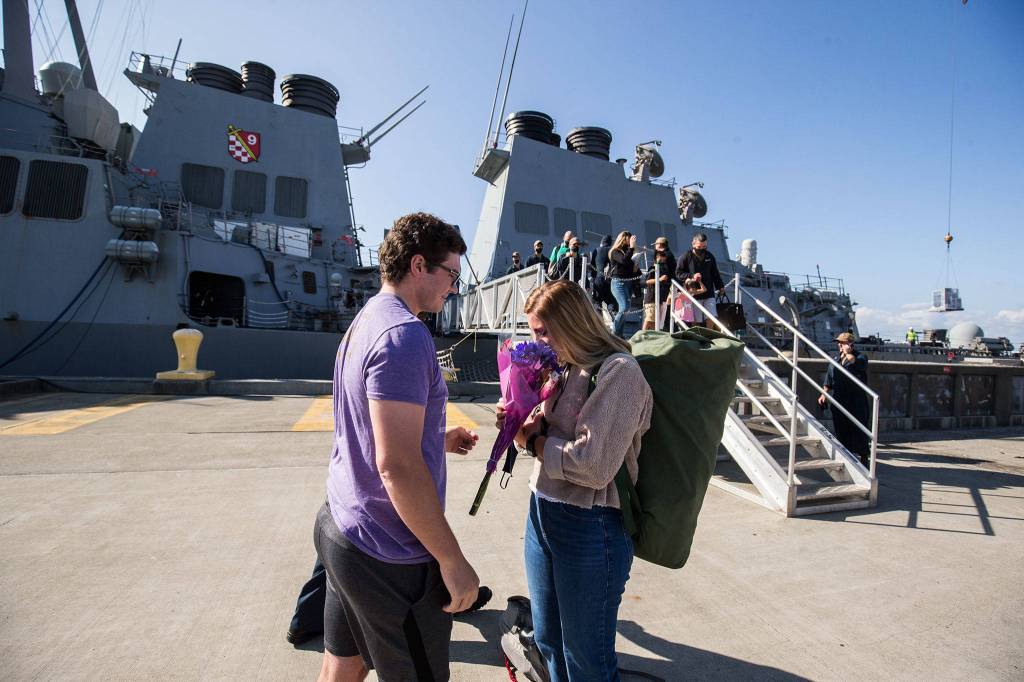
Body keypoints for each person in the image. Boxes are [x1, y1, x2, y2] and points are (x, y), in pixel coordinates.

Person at [314, 212, 481, 682]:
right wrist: (452, 560)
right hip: (388, 553)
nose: (453, 286)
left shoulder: (368, 319)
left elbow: (367, 431)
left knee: (341, 666)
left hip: (343, 526)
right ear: (418, 265)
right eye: (451, 273)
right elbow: (398, 467)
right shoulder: (405, 337)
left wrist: (436, 440)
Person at [495, 279, 653, 682]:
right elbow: (549, 432)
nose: (537, 342)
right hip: (542, 511)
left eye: (542, 332)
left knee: (586, 660)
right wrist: (519, 416)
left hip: (591, 524)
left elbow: (594, 466)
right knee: (548, 642)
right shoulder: (563, 367)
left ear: (572, 323)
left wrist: (531, 440)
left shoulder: (620, 372)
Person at [817, 332, 871, 467]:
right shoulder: (835, 360)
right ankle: (846, 455)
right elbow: (828, 381)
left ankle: (864, 457)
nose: (840, 346)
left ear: (851, 344)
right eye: (839, 343)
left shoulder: (860, 357)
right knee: (841, 429)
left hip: (856, 400)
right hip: (840, 399)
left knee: (859, 429)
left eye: (843, 343)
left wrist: (848, 352)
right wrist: (824, 395)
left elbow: (857, 363)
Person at [676, 233, 725, 327]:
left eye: (704, 246)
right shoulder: (686, 256)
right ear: (693, 244)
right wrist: (691, 276)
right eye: (699, 246)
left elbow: (715, 273)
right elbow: (679, 273)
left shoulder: (709, 256)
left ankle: (708, 334)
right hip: (694, 292)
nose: (701, 249)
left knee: (711, 315)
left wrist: (720, 286)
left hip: (708, 291)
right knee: (696, 318)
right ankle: (697, 336)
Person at [608, 231, 639, 337]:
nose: (631, 241)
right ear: (623, 239)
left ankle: (619, 334)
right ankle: (615, 333)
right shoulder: (615, 251)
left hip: (628, 283)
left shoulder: (627, 252)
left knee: (626, 309)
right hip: (618, 283)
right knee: (624, 307)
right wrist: (631, 248)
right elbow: (623, 261)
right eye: (629, 239)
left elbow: (630, 266)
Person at [642, 245, 674, 331]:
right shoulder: (653, 269)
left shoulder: (662, 269)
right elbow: (647, 281)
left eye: (664, 256)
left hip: (658, 298)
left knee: (654, 322)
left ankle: (653, 336)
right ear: (657, 257)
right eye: (661, 256)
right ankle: (642, 334)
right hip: (651, 298)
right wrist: (659, 279)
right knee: (649, 319)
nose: (664, 258)